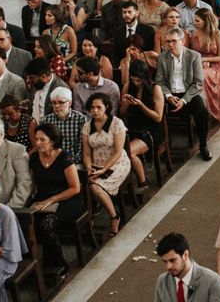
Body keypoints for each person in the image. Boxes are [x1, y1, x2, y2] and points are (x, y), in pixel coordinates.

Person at [28, 123, 82, 276]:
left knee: (47, 224)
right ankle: (39, 264)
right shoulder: (34, 158)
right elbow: (32, 184)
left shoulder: (64, 157)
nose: (37, 143)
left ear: (53, 141)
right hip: (43, 199)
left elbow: (75, 188)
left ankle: (59, 264)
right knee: (27, 222)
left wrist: (51, 200)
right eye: (36, 139)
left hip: (68, 200)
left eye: (42, 140)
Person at [155, 27, 212, 161]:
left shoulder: (194, 56)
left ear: (183, 41)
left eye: (174, 41)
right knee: (156, 113)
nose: (170, 45)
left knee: (202, 111)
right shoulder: (162, 58)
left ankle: (203, 146)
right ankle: (164, 150)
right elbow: (159, 82)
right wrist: (168, 96)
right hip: (170, 95)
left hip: (189, 94)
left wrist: (184, 100)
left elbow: (198, 83)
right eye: (168, 42)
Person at [81, 93, 130, 237]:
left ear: (106, 107)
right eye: (92, 107)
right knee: (84, 183)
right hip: (95, 164)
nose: (95, 110)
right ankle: (89, 218)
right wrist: (89, 167)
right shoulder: (87, 126)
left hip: (117, 163)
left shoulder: (116, 123)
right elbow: (87, 153)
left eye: (98, 107)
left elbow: (118, 151)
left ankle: (114, 217)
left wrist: (104, 169)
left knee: (95, 187)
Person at [118, 59, 163, 191]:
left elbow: (158, 117)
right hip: (133, 129)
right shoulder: (127, 87)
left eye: (139, 80)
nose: (136, 83)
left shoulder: (155, 88)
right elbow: (121, 114)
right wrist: (125, 105)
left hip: (150, 130)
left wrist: (141, 105)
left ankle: (142, 181)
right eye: (133, 80)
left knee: (127, 152)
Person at [155, 232, 220, 302]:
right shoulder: (162, 281)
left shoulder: (213, 281)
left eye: (172, 260)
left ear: (186, 255)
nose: (168, 267)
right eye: (165, 262)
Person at [191, 8, 220, 124]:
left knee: (202, 75)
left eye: (197, 21)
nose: (194, 23)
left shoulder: (217, 34)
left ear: (206, 21)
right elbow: (193, 53)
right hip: (199, 64)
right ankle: (199, 109)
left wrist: (204, 59)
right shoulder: (194, 34)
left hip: (216, 66)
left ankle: (207, 111)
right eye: (194, 20)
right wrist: (199, 61)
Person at [42, 87, 87, 164]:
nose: (56, 106)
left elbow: (81, 146)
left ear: (70, 103)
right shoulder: (46, 121)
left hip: (74, 162)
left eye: (61, 102)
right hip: (52, 161)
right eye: (54, 103)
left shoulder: (80, 119)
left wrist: (71, 162)